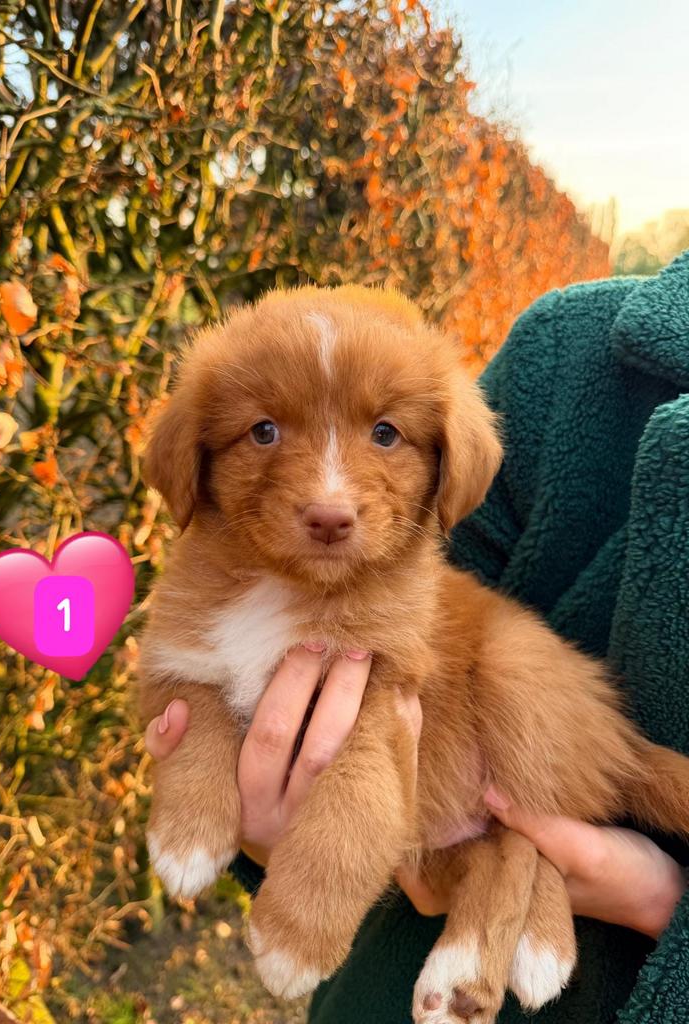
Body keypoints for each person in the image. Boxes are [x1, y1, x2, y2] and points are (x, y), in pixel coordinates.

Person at [145, 250, 689, 1023]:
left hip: (539, 761)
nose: (328, 494)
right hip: (386, 958)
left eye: (386, 434)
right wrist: (229, 809)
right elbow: (175, 689)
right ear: (193, 460)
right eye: (263, 430)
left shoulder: (402, 595)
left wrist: (662, 902)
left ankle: (509, 900)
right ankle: (508, 891)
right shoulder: (570, 351)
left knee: (511, 677)